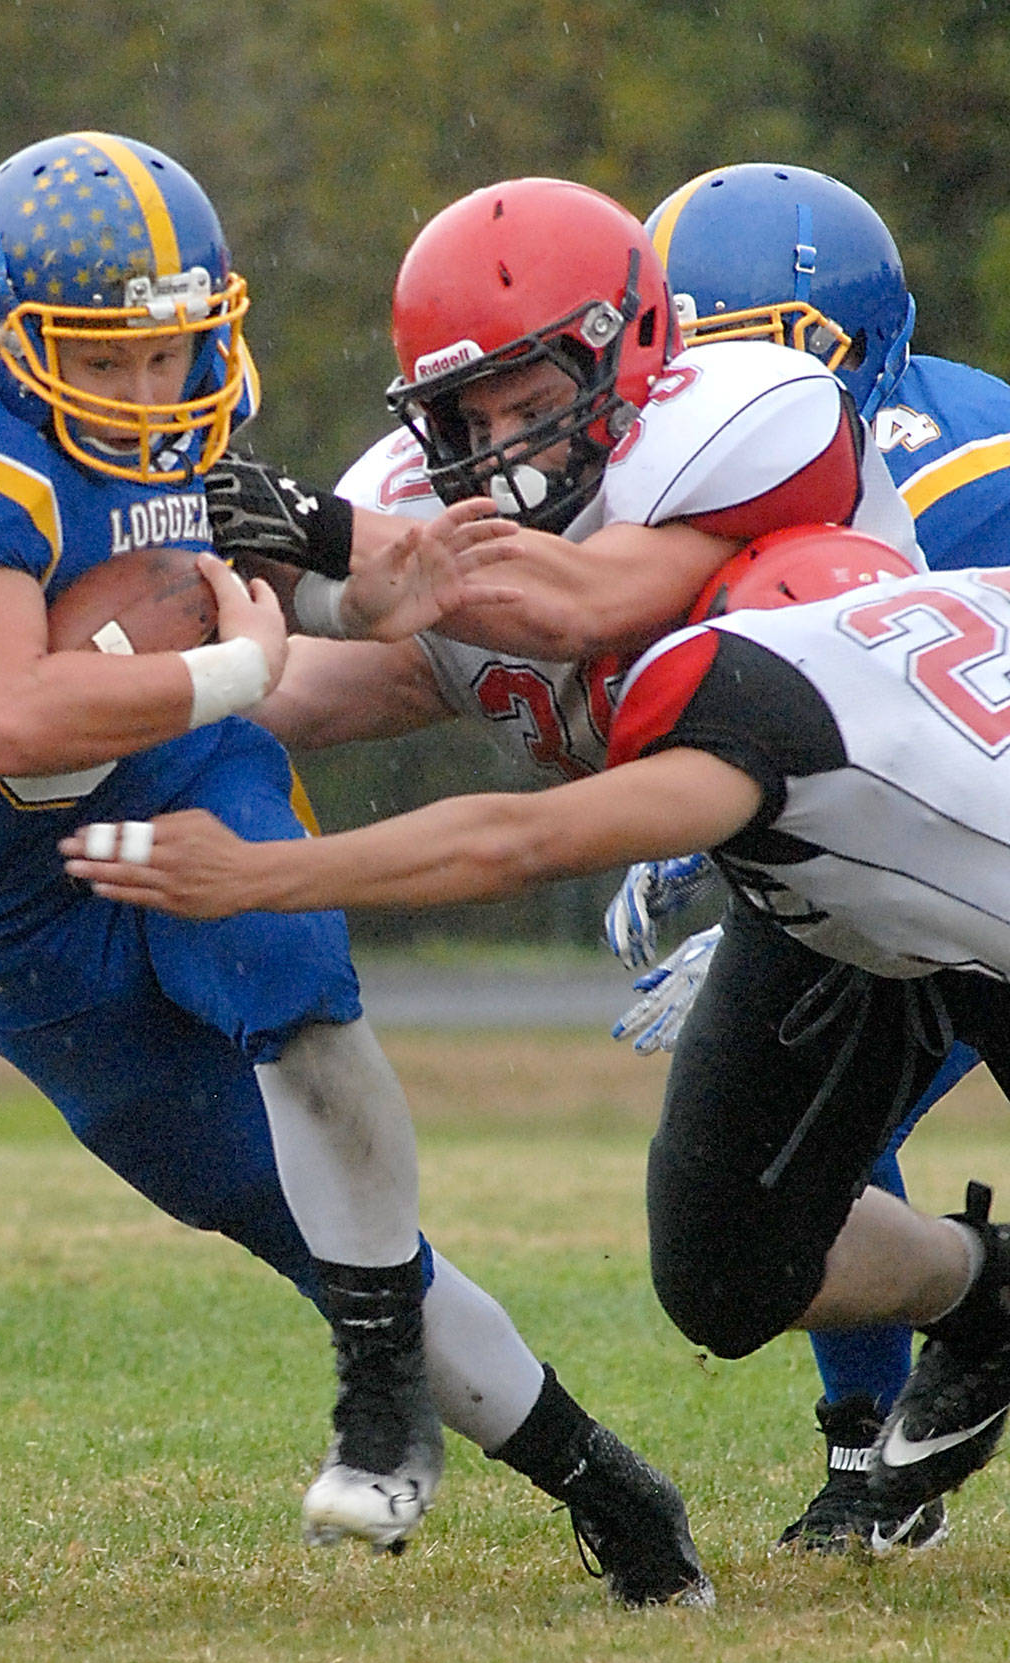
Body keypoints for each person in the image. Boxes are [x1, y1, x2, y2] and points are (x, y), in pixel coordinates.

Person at [0, 131, 712, 1607]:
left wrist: (378, 582)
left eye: (177, 352)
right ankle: (600, 1476)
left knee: (296, 990)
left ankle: (375, 1389)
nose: (156, 395)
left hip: (180, 777)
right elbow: (12, 717)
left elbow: (284, 544)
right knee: (297, 1218)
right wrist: (248, 661)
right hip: (20, 909)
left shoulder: (170, 418)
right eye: (114, 359)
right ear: (18, 344)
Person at [197, 175, 934, 1549]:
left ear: (632, 347)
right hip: (812, 902)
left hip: (959, 861)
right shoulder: (439, 526)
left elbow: (579, 603)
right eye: (464, 419)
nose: (499, 447)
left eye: (529, 402)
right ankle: (987, 1293)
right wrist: (149, 633)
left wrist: (318, 537)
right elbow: (298, 687)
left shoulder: (745, 417)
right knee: (722, 1275)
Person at [60, 520, 1010, 1540]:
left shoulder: (765, 697)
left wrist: (254, 874)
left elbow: (511, 843)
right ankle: (986, 1295)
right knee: (725, 1266)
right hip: (897, 900)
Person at [605, 161, 1010, 1549]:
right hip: (894, 854)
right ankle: (872, 1430)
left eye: (752, 360)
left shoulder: (955, 480)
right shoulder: (695, 478)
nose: (709, 404)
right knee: (788, 1160)